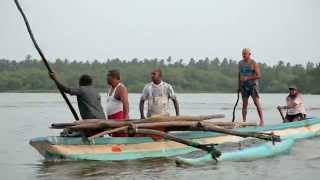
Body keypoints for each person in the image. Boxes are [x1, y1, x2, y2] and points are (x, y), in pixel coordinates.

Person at [238, 48, 264, 126]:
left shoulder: (253, 63)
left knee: (256, 103)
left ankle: (262, 120)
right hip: (244, 86)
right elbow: (239, 75)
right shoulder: (240, 63)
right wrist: (239, 86)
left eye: (245, 54)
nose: (244, 55)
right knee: (244, 104)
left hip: (253, 86)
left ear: (249, 54)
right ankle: (244, 121)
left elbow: (258, 75)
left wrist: (248, 78)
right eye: (243, 54)